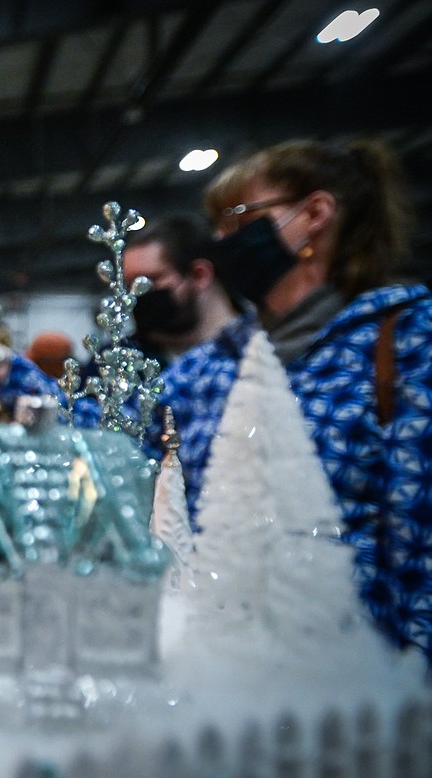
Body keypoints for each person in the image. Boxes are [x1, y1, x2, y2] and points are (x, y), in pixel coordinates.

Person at [156, 138, 432, 663]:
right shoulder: (215, 363)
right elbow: (110, 432)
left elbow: (419, 538)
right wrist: (7, 374)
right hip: (223, 672)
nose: (221, 241)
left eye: (238, 218)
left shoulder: (406, 341)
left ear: (315, 215)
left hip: (356, 685)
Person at [124, 214, 240, 366]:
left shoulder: (260, 348)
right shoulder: (123, 360)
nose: (136, 293)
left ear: (200, 275)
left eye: (148, 280)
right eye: (128, 284)